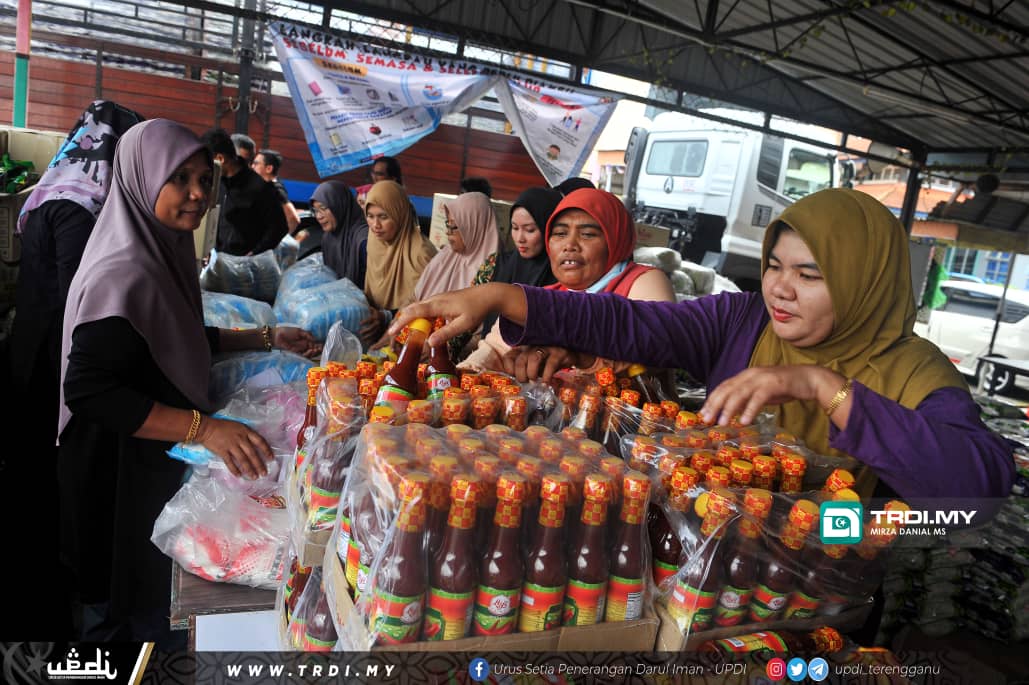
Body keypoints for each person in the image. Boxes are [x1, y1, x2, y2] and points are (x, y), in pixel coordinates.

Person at [392, 189, 1014, 500]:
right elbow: (632, 325)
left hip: (819, 591)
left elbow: (979, 485)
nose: (782, 289)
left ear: (863, 277)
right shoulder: (744, 320)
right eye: (774, 266)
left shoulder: (916, 371)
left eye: (810, 273)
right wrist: (503, 298)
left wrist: (825, 388)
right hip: (707, 549)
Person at [58, 119, 320, 644]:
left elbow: (169, 337)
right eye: (180, 179)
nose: (198, 194)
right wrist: (204, 430)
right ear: (143, 177)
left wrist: (266, 338)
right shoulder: (124, 269)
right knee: (118, 611)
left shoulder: (159, 250)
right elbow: (89, 390)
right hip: (114, 467)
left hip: (145, 452)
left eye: (205, 179)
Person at [7, 99, 144, 639]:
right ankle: (56, 593)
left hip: (30, 342)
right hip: (55, 354)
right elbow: (77, 303)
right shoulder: (79, 207)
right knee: (55, 473)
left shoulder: (49, 190)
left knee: (35, 467)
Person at [459, 187, 675, 372]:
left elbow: (658, 344)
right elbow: (495, 348)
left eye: (588, 234)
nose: (569, 245)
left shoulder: (644, 281)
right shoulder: (552, 293)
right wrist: (466, 372)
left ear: (615, 239)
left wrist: (581, 357)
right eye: (560, 234)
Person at [360, 180, 436, 348]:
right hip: (373, 332)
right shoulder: (373, 242)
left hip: (405, 341)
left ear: (400, 215)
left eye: (383, 217)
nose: (375, 225)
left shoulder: (421, 253)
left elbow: (427, 307)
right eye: (370, 216)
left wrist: (386, 317)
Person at [479, 186, 560, 335]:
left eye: (529, 230)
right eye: (515, 228)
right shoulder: (500, 263)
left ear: (548, 229)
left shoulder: (561, 277)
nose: (520, 238)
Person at [202, 128, 288, 256]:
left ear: (220, 159)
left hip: (244, 266)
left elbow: (279, 227)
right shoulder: (216, 182)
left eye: (209, 161)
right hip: (216, 259)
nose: (207, 167)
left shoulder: (260, 187)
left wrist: (254, 253)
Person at [309, 180, 368, 286]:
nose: (319, 216)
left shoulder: (363, 239)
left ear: (339, 205)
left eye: (323, 208)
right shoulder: (328, 237)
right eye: (315, 210)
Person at [251, 148, 302, 235]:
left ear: (269, 169)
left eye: (256, 164)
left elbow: (294, 219)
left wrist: (279, 240)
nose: (252, 166)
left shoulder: (276, 190)